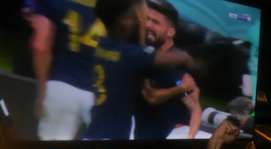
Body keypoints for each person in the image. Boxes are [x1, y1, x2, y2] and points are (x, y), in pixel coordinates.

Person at [84, 0, 198, 140]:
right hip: (117, 137)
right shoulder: (137, 56)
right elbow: (152, 95)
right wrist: (182, 86)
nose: (148, 25)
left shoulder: (107, 44)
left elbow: (194, 106)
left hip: (158, 140)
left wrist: (190, 136)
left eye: (155, 22)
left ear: (171, 31)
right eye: (146, 19)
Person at [26, 0, 102, 140]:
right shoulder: (116, 7)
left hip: (61, 88)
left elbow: (40, 46)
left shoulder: (56, 2)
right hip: (100, 93)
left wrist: (42, 91)